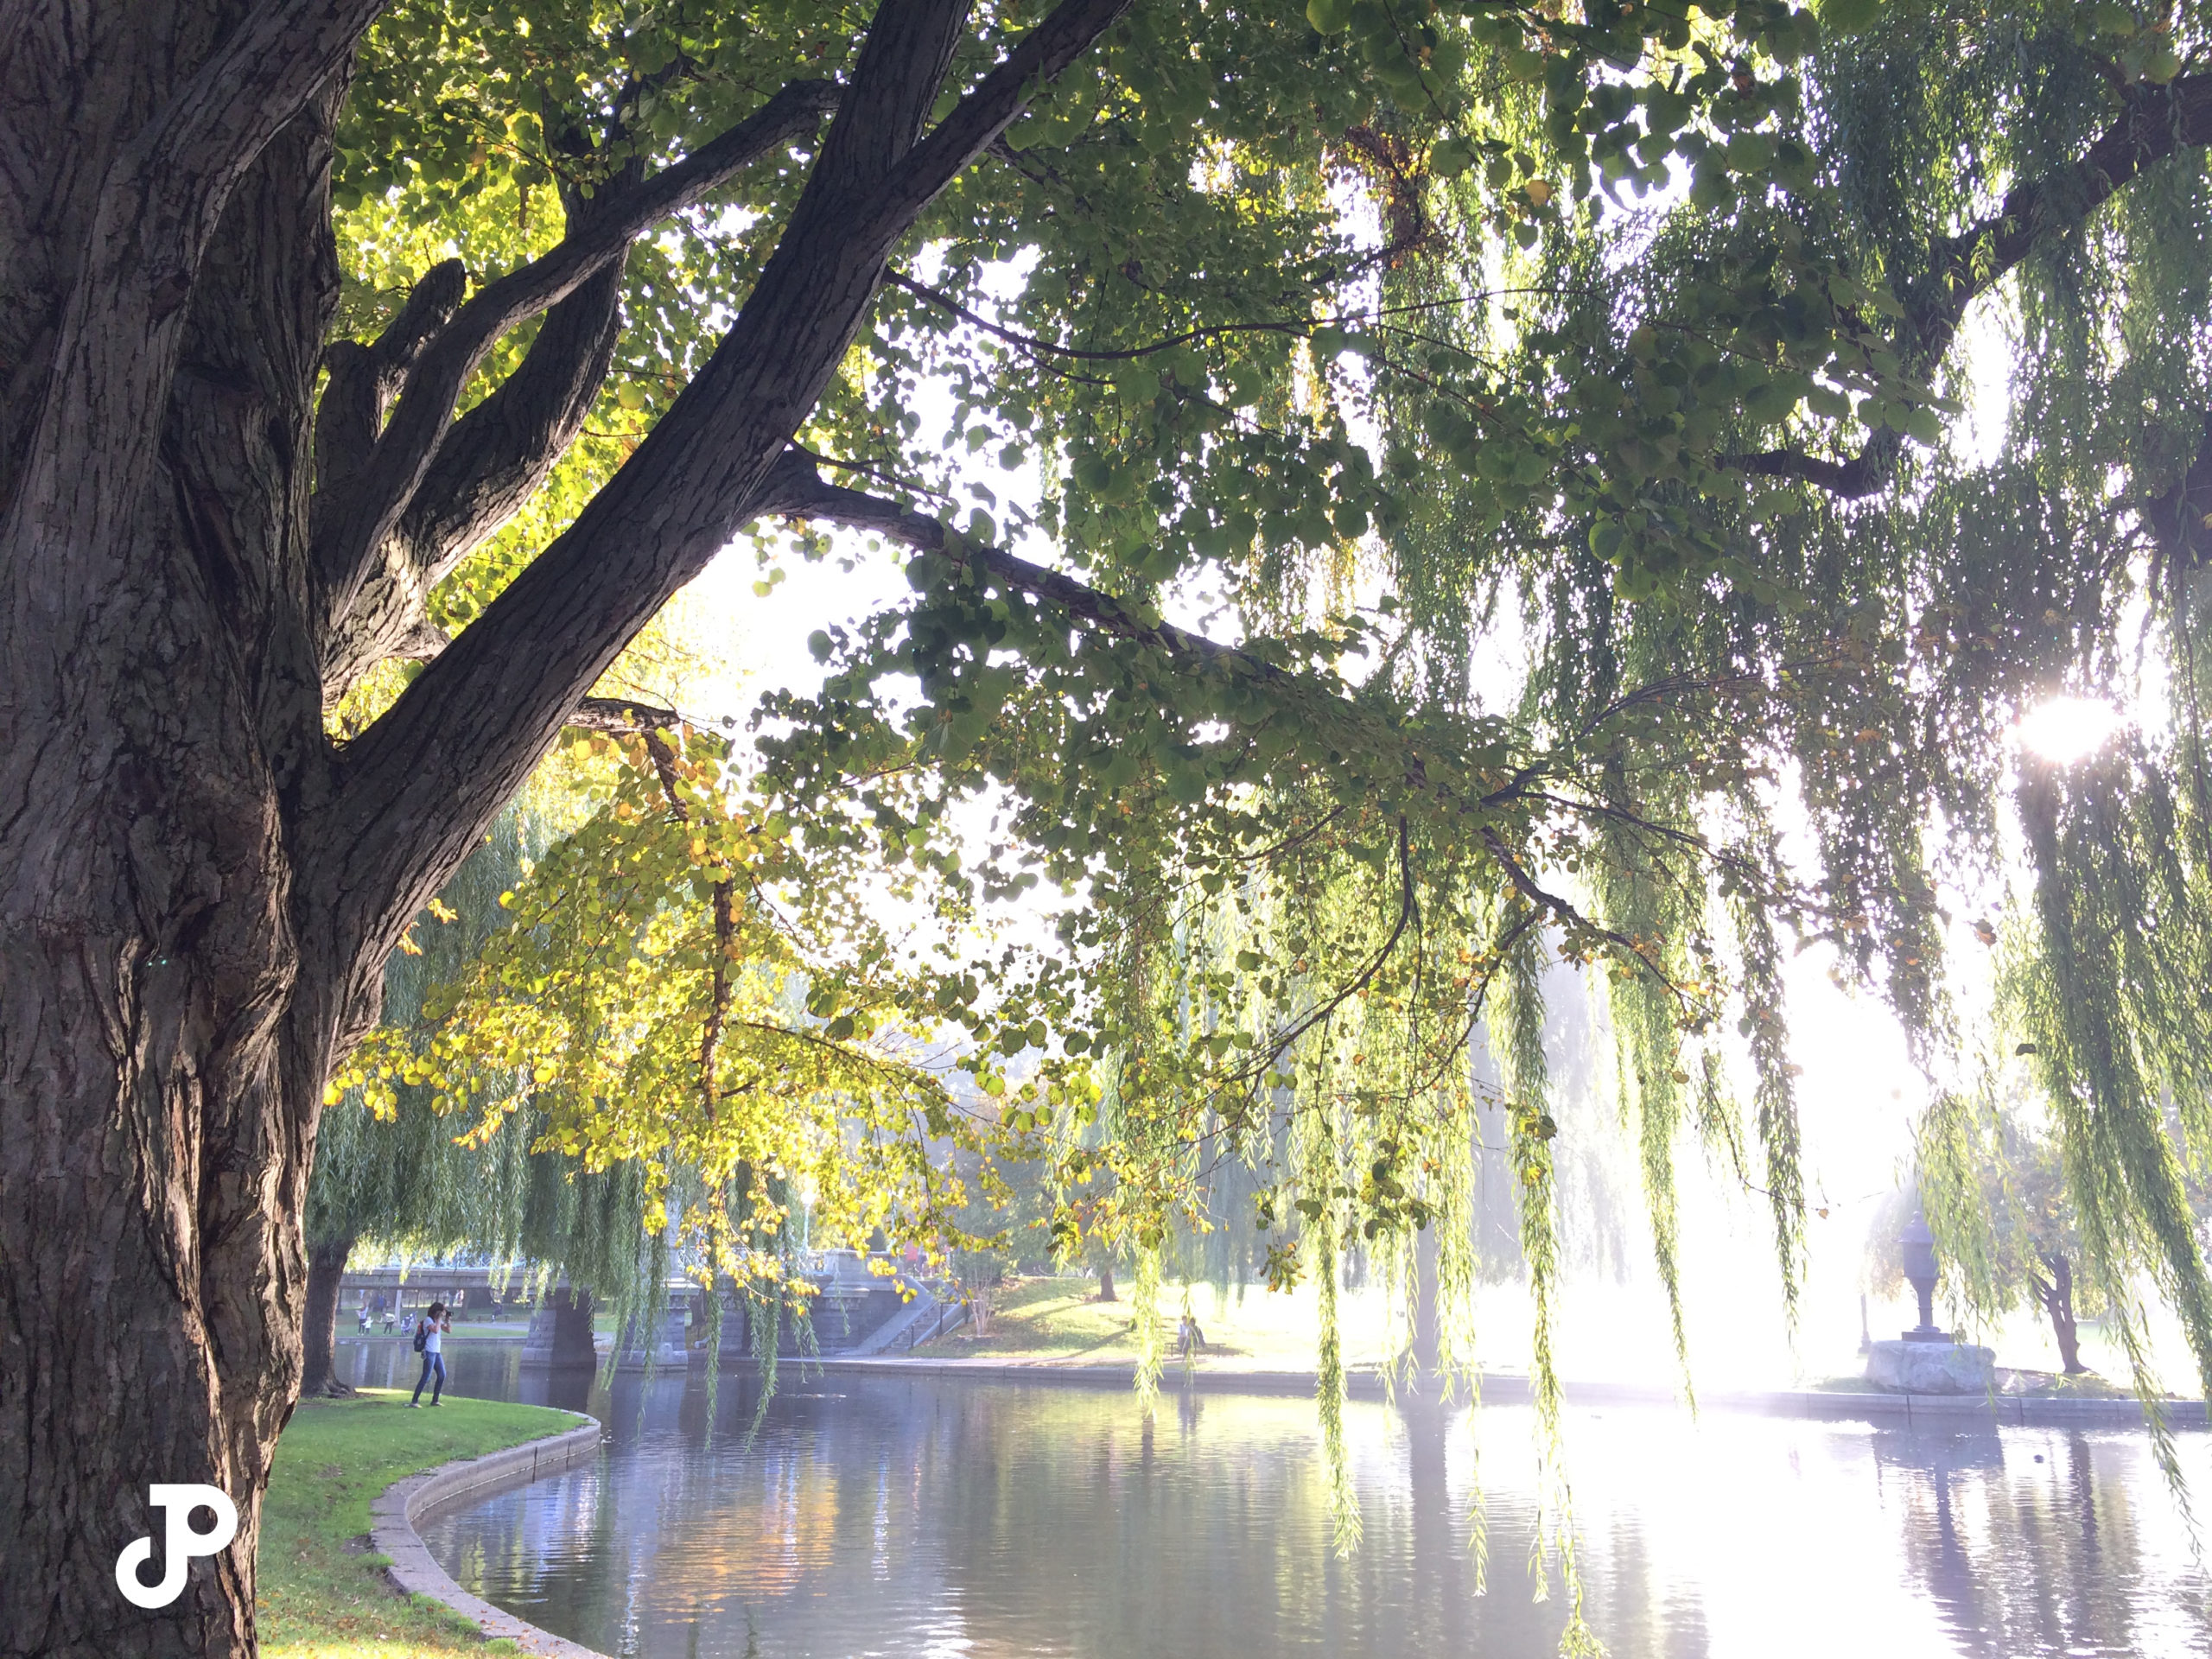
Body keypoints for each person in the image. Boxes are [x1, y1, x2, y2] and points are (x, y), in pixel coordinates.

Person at [410, 1300, 451, 1407]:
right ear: (437, 1312)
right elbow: (436, 1330)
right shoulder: (428, 1320)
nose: (443, 1313)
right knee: (426, 1377)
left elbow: (448, 1330)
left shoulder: (437, 1321)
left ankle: (435, 1400)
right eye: (442, 1311)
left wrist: (448, 1320)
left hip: (437, 1352)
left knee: (442, 1375)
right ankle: (414, 1401)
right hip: (429, 1351)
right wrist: (438, 1319)